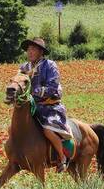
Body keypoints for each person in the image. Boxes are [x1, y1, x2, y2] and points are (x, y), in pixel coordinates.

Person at [19, 37, 71, 172]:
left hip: (49, 107)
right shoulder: (24, 67)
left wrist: (34, 91)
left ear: (41, 52)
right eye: (28, 50)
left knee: (47, 130)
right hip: (30, 106)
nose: (29, 52)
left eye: (33, 49)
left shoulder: (50, 65)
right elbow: (18, 83)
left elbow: (53, 87)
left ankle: (62, 158)